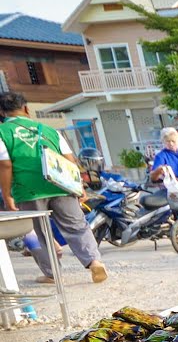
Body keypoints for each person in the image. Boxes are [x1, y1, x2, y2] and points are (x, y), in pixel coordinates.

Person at [0, 92, 107, 284]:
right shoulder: (49, 130)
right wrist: (79, 186)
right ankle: (94, 262)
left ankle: (52, 273)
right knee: (76, 226)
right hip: (61, 184)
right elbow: (69, 160)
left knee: (35, 232)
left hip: (28, 190)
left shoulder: (2, 132)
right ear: (26, 109)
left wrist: (7, 195)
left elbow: (5, 165)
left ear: (2, 112)